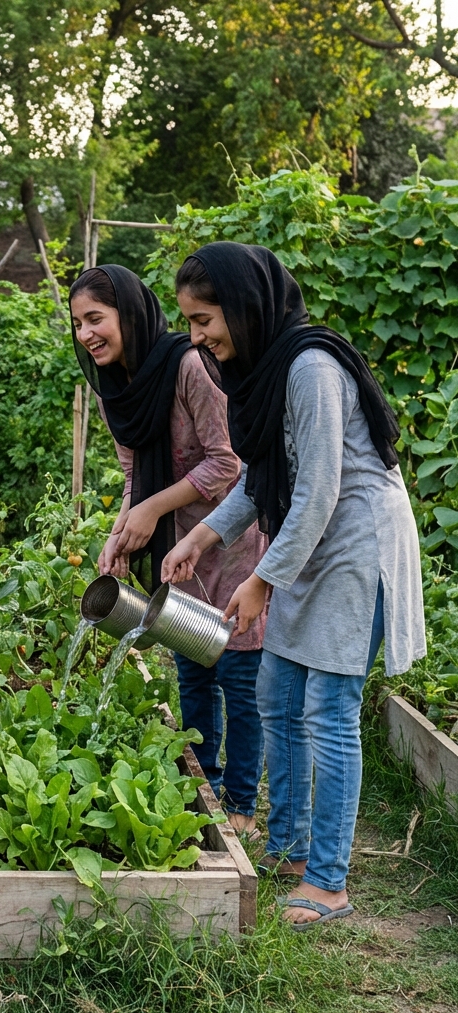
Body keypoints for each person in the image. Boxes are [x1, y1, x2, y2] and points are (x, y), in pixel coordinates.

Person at [162, 242, 425, 930]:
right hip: (314, 539)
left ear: (243, 307)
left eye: (203, 319)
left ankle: (329, 882)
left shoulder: (308, 367)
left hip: (356, 542)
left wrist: (260, 579)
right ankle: (290, 847)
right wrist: (200, 537)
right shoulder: (266, 368)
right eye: (188, 323)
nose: (198, 338)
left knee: (330, 711)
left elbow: (320, 487)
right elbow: (261, 476)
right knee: (278, 694)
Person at [69, 265, 268, 837]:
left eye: (96, 319)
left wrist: (152, 510)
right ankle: (204, 784)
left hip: (226, 537)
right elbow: (135, 474)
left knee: (235, 668)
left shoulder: (188, 365)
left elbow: (227, 461)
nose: (86, 334)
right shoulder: (114, 389)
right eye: (78, 323)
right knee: (191, 669)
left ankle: (243, 805)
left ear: (128, 314)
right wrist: (120, 531)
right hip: (175, 548)